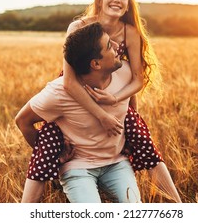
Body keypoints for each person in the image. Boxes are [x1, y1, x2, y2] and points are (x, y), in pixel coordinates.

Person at [19, 0, 181, 203]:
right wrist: (101, 115)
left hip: (114, 88)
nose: (117, 0)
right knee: (49, 139)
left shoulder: (130, 32)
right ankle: (36, 197)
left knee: (144, 141)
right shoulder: (78, 26)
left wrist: (115, 100)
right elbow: (69, 81)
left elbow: (136, 79)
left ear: (129, 3)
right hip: (76, 87)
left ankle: (179, 205)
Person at [15, 22, 141, 203]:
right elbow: (22, 121)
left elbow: (132, 98)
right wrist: (54, 157)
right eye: (108, 45)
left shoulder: (126, 73)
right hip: (78, 168)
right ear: (96, 64)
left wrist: (130, 136)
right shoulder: (58, 93)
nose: (116, 46)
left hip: (117, 164)